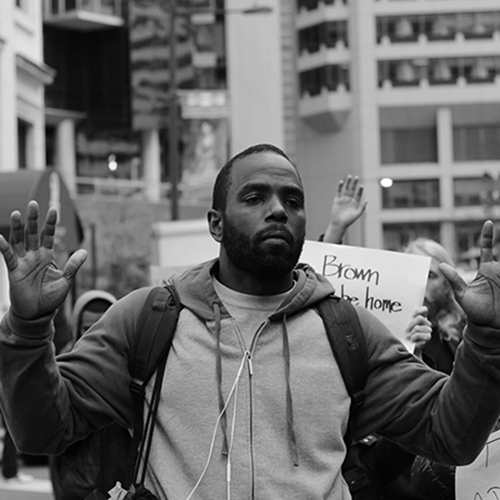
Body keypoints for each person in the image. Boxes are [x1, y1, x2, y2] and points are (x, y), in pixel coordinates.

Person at [1, 144, 500, 499]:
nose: (279, 210)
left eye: (293, 200)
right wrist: (27, 330)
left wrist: (487, 339)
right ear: (216, 223)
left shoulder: (348, 329)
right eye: (255, 197)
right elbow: (43, 430)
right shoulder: (147, 317)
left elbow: (451, 436)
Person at [49, 290, 132, 500]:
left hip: (124, 485)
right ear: (77, 327)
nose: (96, 336)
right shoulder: (61, 369)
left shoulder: (133, 368)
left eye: (104, 326)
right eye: (88, 329)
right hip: (77, 487)